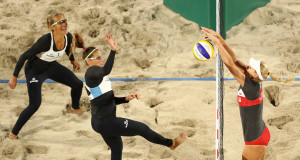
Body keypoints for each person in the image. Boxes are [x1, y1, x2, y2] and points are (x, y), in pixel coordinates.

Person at [83, 33, 187, 160]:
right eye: (98, 57)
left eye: (101, 56)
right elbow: (106, 70)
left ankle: (171, 144)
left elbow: (106, 100)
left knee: (117, 148)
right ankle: (171, 143)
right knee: (142, 128)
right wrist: (113, 50)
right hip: (106, 122)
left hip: (100, 122)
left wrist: (125, 99)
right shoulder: (90, 73)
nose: (101, 59)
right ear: (88, 61)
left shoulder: (97, 77)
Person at [201, 27, 294, 160]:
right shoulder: (252, 78)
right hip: (259, 132)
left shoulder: (250, 87)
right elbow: (234, 59)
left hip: (255, 139)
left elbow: (229, 65)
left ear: (255, 75)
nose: (249, 66)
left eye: (252, 68)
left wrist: (217, 44)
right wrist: (220, 39)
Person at [7, 12, 86, 139]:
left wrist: (72, 60)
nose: (64, 23)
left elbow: (67, 49)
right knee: (35, 104)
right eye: (60, 22)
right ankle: (13, 133)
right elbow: (24, 56)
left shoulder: (68, 37)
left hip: (51, 67)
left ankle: (75, 107)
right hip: (34, 71)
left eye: (65, 20)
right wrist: (14, 77)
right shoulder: (45, 40)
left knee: (77, 84)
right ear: (52, 27)